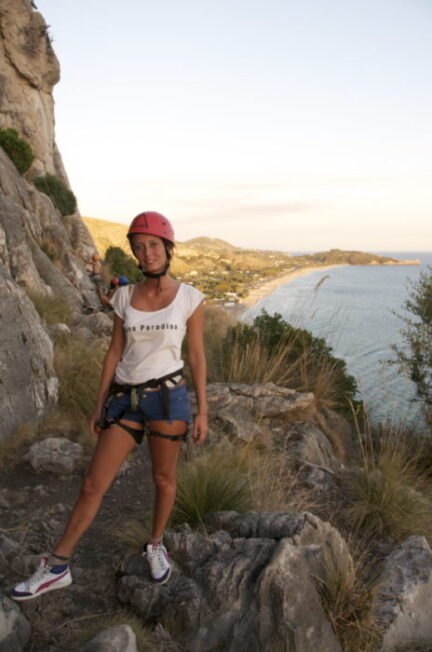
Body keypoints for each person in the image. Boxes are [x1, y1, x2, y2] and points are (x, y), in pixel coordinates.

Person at [12, 211, 207, 600]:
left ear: (168, 248)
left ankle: (155, 544)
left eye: (153, 245)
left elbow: (197, 356)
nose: (147, 253)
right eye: (139, 247)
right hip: (126, 399)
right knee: (92, 484)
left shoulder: (189, 298)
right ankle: (57, 566)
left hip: (169, 398)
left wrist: (204, 410)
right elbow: (115, 350)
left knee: (163, 479)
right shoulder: (123, 296)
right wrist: (100, 401)